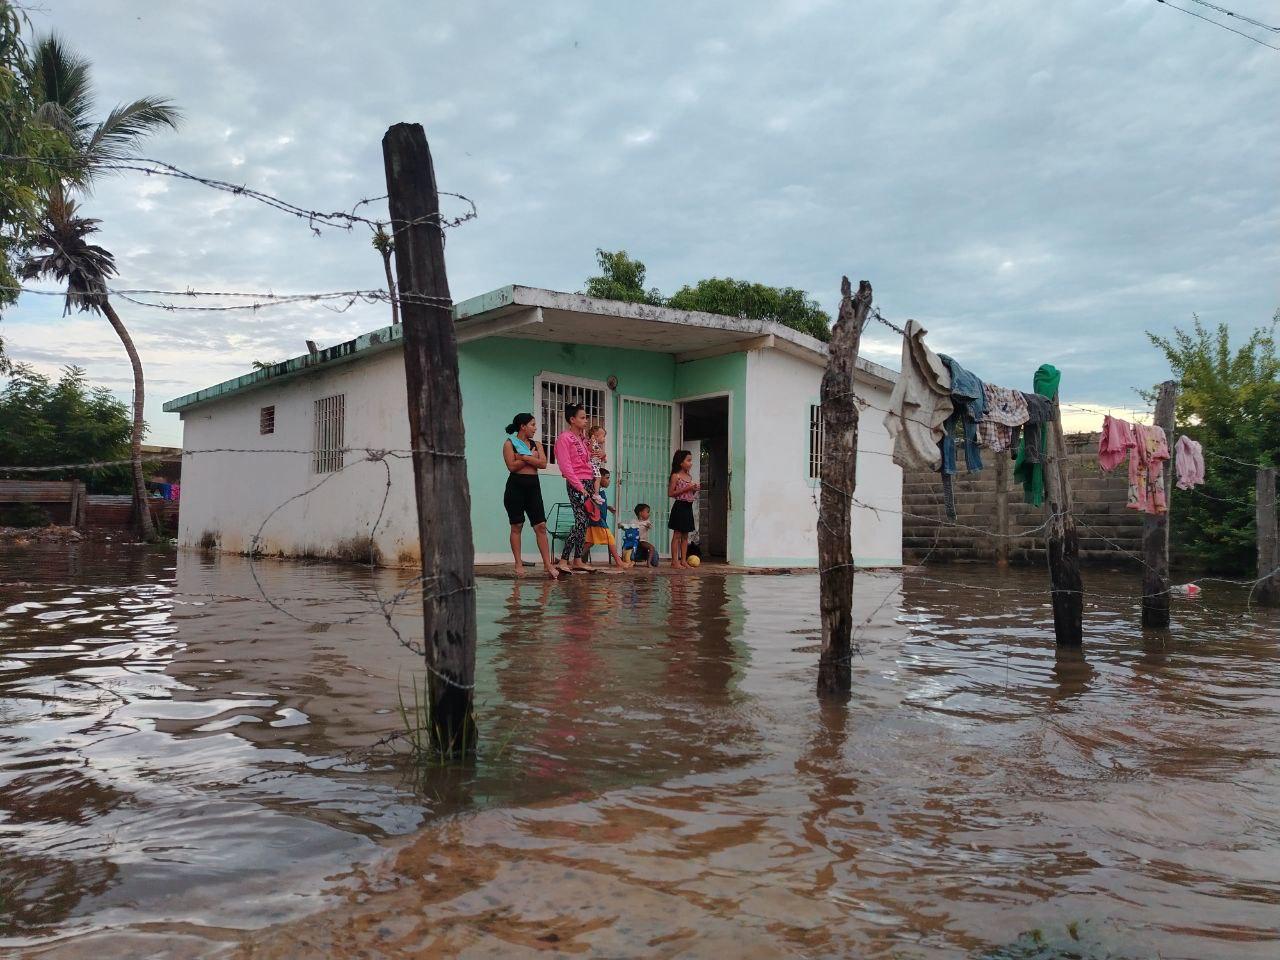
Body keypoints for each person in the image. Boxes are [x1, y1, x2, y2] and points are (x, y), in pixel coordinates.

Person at [502, 413, 557, 579]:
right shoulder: (509, 444)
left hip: (533, 487)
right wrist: (531, 458)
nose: (535, 428)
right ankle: (518, 564)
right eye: (532, 425)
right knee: (517, 526)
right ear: (522, 426)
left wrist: (524, 457)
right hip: (515, 487)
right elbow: (512, 467)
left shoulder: (537, 444)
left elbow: (543, 464)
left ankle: (548, 565)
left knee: (540, 526)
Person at [552, 402, 596, 575]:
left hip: (588, 482)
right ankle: (563, 560)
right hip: (577, 483)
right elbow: (566, 466)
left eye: (586, 417)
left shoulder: (583, 439)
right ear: (572, 419)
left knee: (585, 523)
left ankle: (578, 560)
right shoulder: (565, 438)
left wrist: (599, 454)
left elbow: (588, 461)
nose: (586, 420)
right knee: (580, 522)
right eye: (582, 417)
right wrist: (579, 486)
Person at [581, 469, 632, 568]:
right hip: (597, 520)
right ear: (599, 478)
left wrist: (608, 507)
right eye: (607, 478)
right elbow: (591, 504)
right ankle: (619, 562)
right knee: (610, 538)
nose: (609, 481)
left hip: (598, 520)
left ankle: (574, 559)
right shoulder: (594, 491)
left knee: (589, 543)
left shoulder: (600, 491)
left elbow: (600, 503)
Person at [667, 449, 700, 568]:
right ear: (681, 462)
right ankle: (674, 561)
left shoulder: (689, 477)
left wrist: (694, 489)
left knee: (686, 535)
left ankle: (683, 560)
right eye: (688, 460)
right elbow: (671, 493)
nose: (691, 463)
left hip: (688, 507)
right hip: (679, 506)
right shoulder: (675, 476)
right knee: (677, 534)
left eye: (691, 460)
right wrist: (687, 489)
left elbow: (689, 494)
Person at [586, 424, 608, 506]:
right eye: (603, 436)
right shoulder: (592, 443)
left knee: (597, 479)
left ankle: (596, 495)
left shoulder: (598, 446)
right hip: (592, 466)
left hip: (596, 466)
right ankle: (596, 494)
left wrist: (604, 457)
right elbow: (589, 449)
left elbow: (602, 457)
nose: (604, 439)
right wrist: (592, 442)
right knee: (598, 478)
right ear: (596, 436)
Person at [633, 502, 660, 566]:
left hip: (642, 541)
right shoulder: (634, 521)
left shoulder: (647, 522)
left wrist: (648, 525)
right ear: (640, 513)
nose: (649, 514)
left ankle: (649, 562)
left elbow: (649, 526)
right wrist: (622, 526)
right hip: (634, 540)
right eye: (647, 512)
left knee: (651, 548)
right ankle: (631, 559)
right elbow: (629, 526)